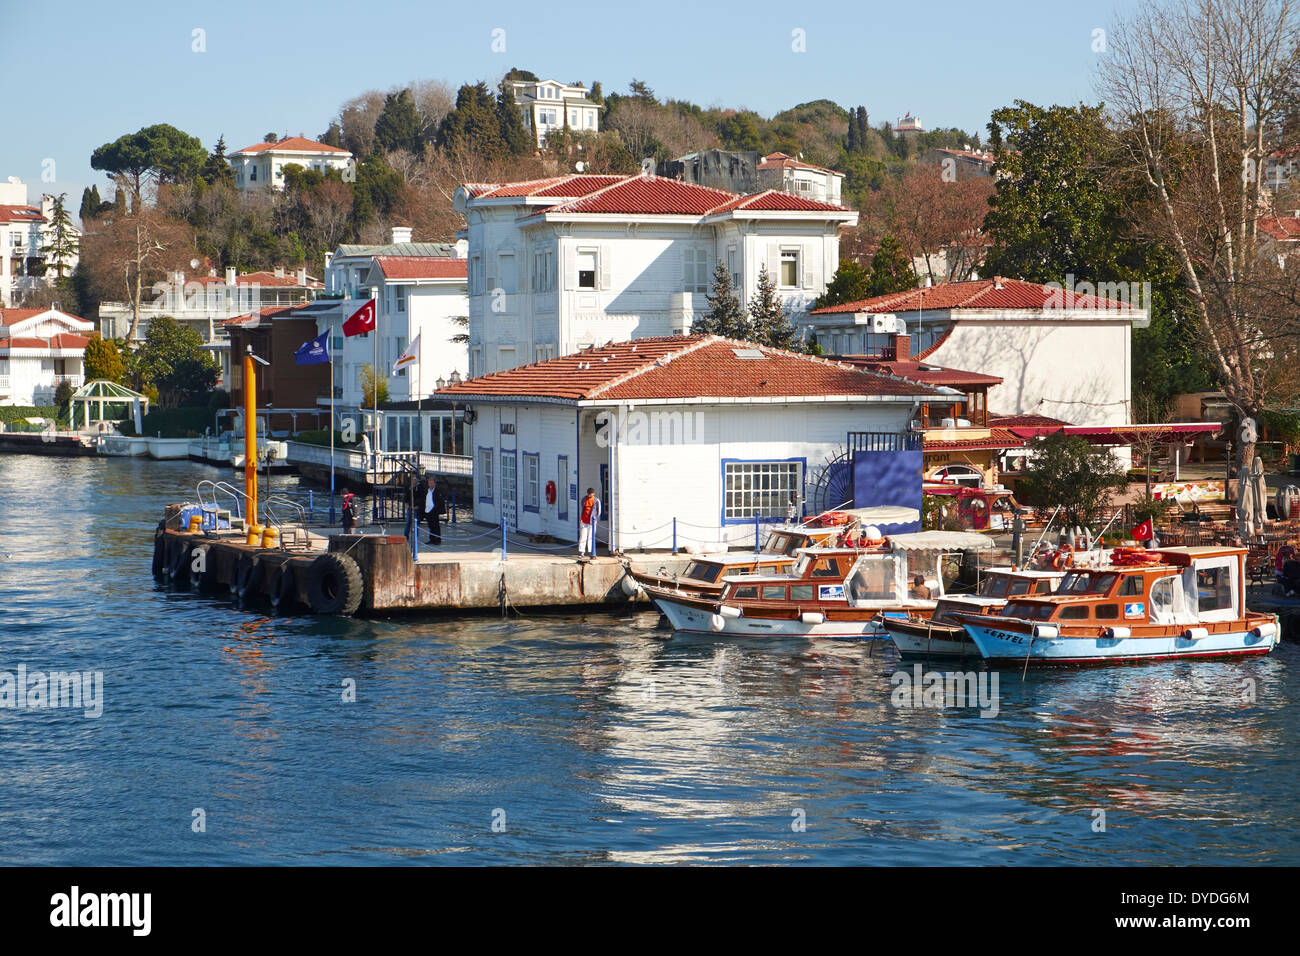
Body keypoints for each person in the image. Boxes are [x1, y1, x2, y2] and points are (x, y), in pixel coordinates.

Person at [578, 487, 601, 558]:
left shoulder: (596, 501)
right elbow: (583, 508)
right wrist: (581, 518)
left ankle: (591, 552)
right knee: (583, 536)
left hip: (592, 522)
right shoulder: (584, 499)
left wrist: (595, 519)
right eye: (588, 494)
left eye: (591, 494)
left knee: (591, 537)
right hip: (584, 520)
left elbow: (599, 511)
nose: (589, 495)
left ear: (593, 493)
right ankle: (582, 552)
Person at [426, 478, 446, 546]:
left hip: (434, 511)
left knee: (436, 526)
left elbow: (440, 501)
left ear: (434, 483)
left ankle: (438, 539)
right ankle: (432, 539)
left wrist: (435, 509)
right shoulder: (428, 490)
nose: (430, 484)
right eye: (429, 483)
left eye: (432, 483)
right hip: (428, 510)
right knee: (430, 526)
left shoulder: (438, 491)